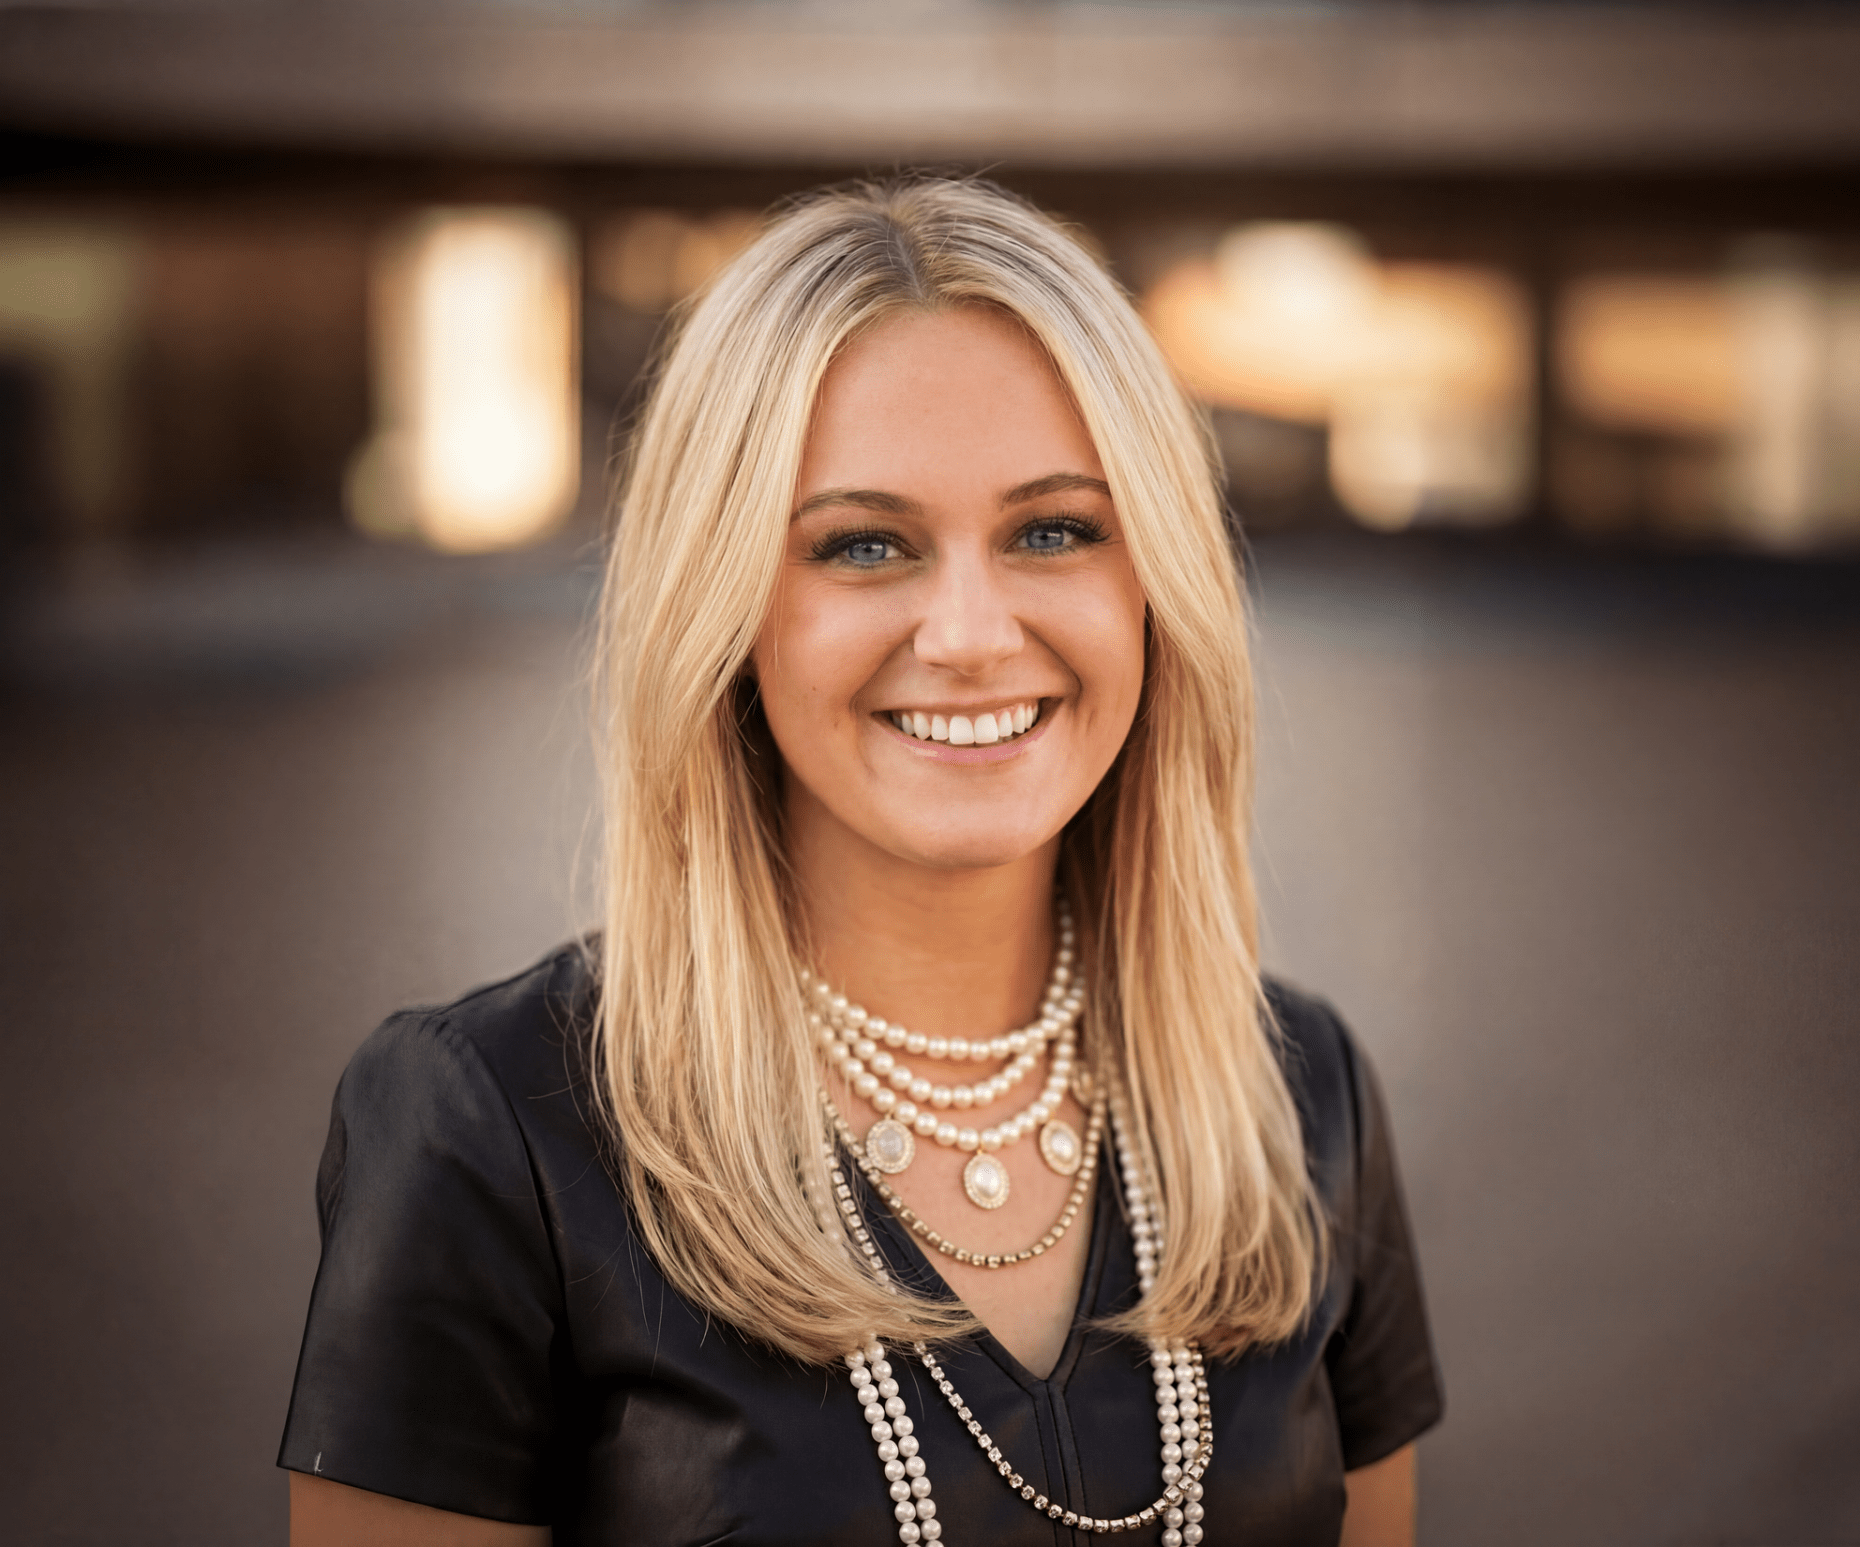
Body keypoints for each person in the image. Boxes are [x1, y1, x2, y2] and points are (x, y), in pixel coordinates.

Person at [280, 176, 1442, 1547]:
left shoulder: (1302, 1101)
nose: (966, 630)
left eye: (1054, 529)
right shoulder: (487, 1131)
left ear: (1156, 583)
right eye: (864, 544)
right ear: (725, 608)